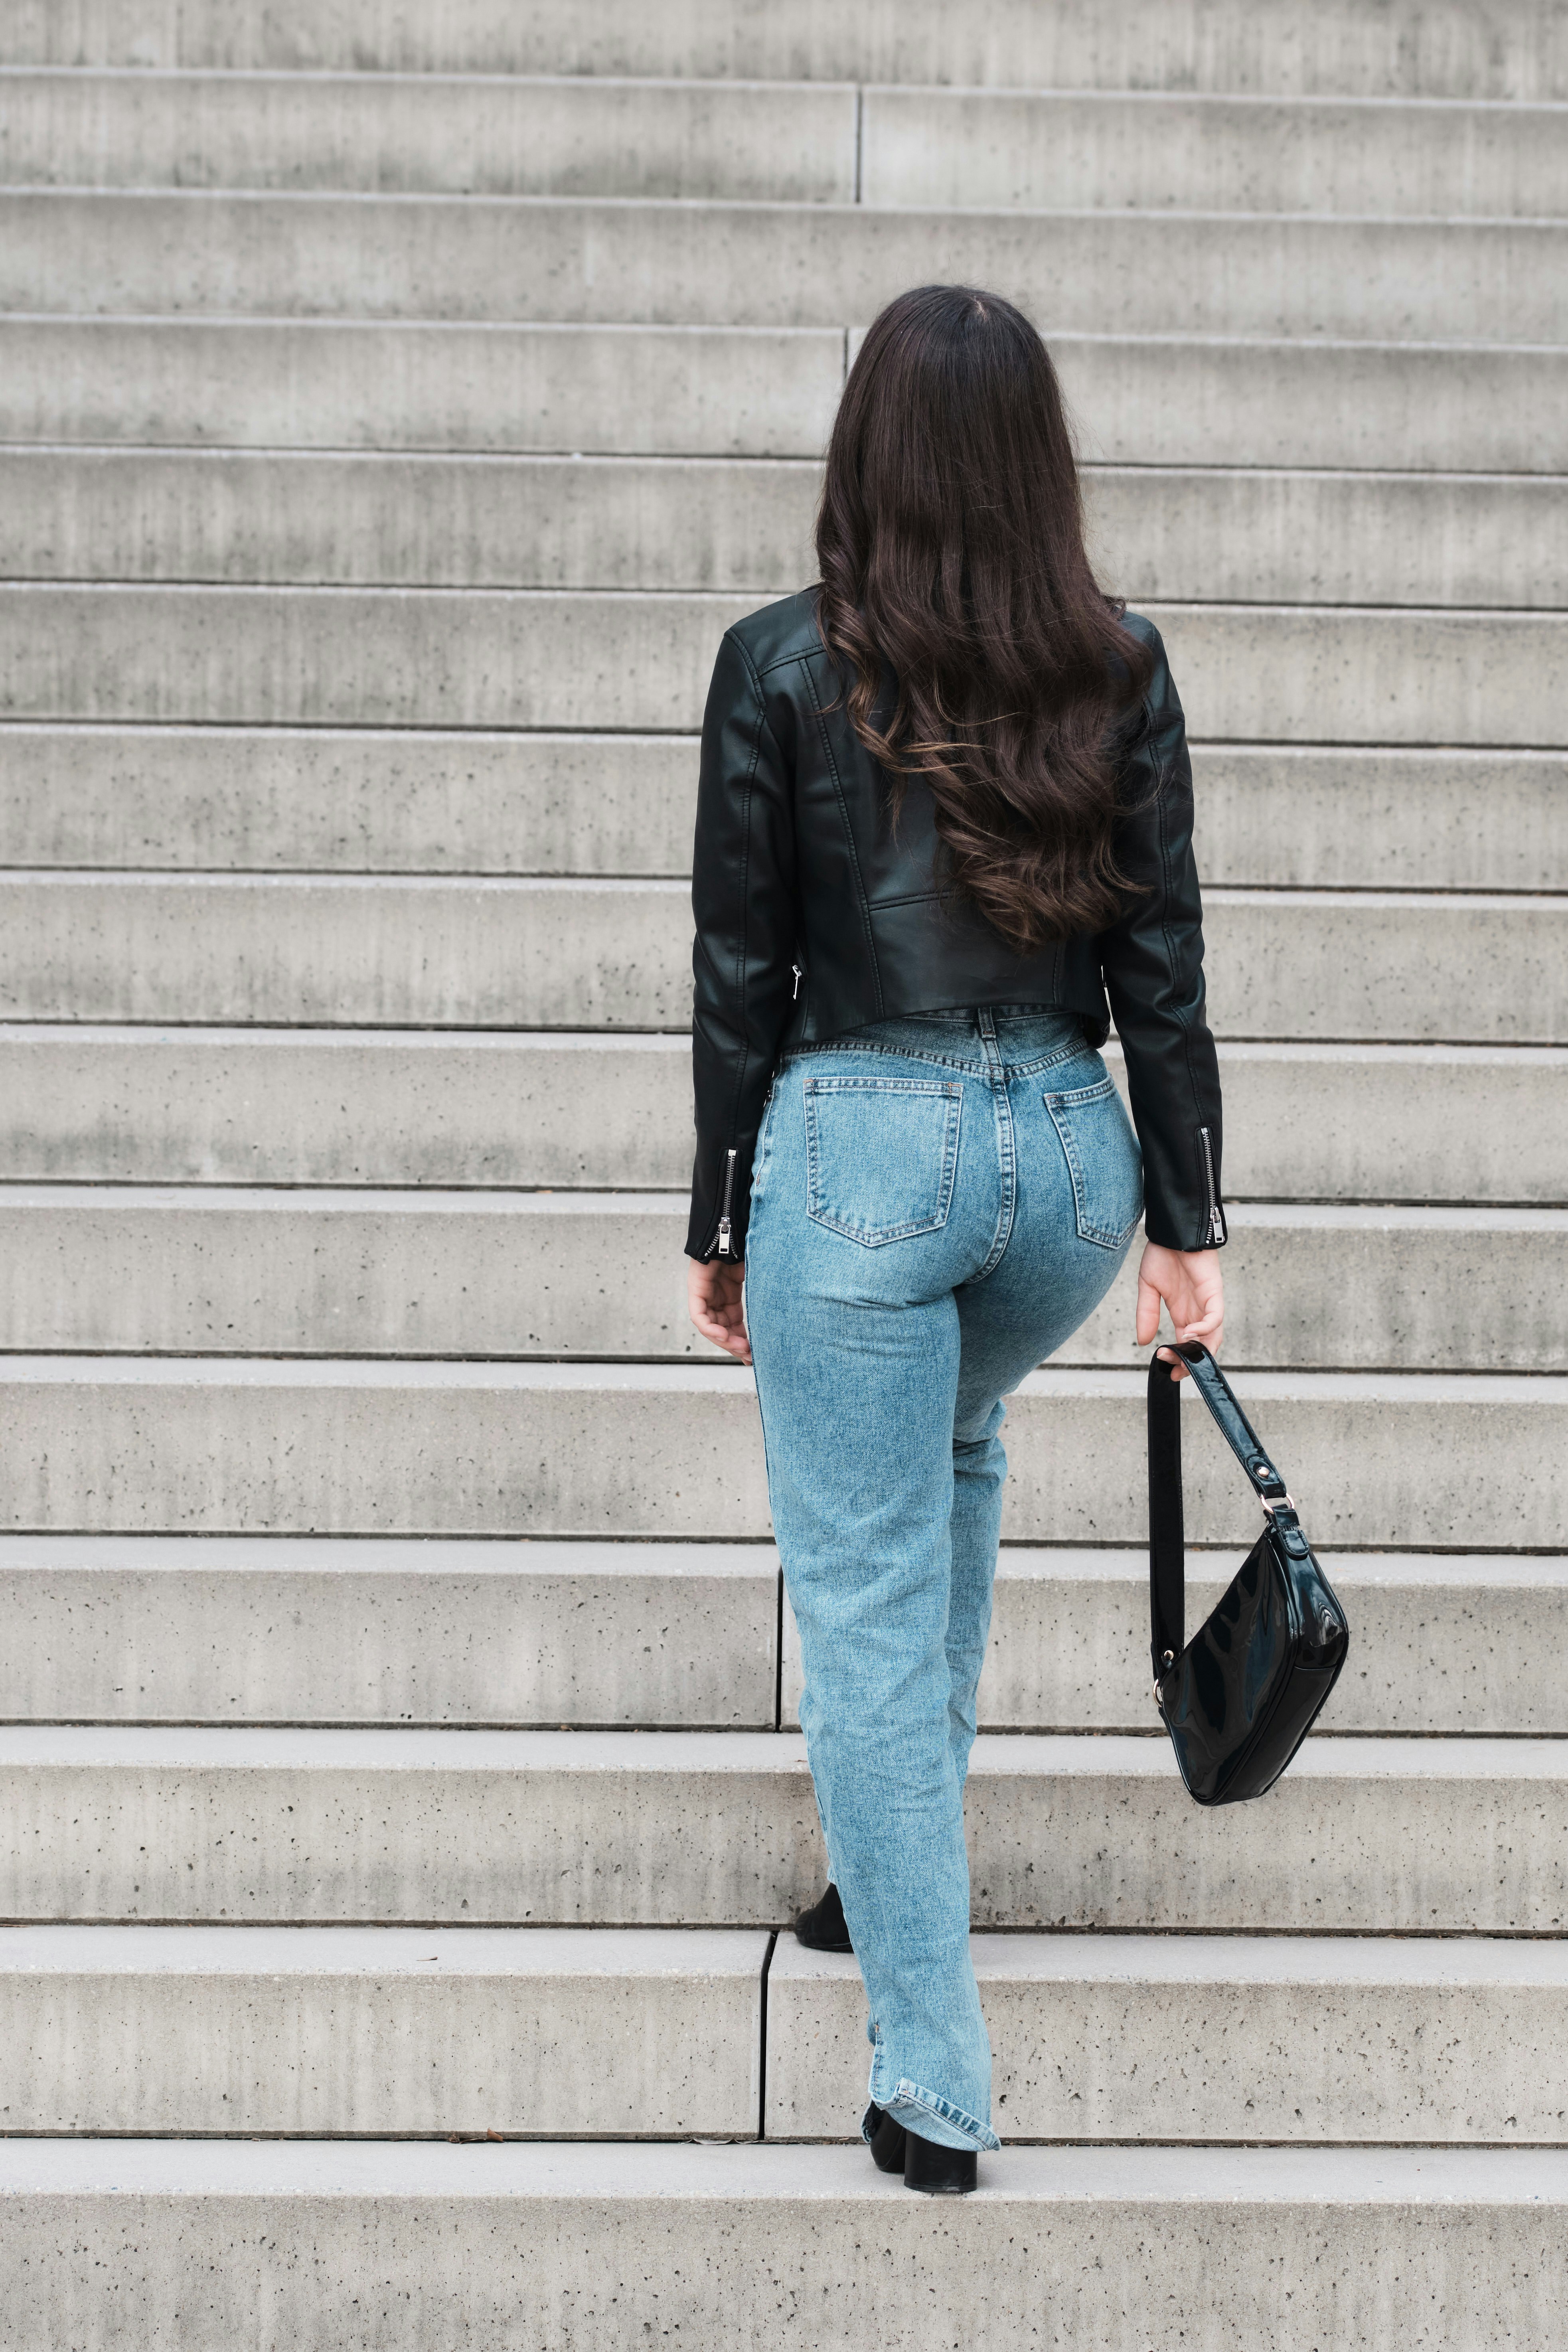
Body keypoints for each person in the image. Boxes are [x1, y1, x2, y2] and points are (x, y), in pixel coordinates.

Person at [683, 284, 1225, 2195]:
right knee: (956, 1449)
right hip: (1065, 1172)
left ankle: (932, 2076)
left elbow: (740, 972)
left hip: (864, 1154)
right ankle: (876, 1869)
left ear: (867, 453)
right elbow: (1156, 954)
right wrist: (1185, 1219)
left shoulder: (773, 664)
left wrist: (717, 1215)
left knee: (855, 1588)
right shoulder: (1116, 661)